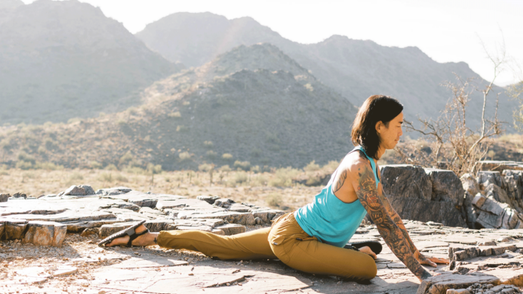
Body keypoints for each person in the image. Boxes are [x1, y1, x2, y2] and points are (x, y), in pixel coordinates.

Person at [100, 95, 447, 282]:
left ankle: (149, 236)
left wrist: (416, 255)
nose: (403, 131)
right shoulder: (361, 168)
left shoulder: (368, 161)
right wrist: (420, 272)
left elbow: (389, 216)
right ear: (380, 126)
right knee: (368, 270)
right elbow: (386, 222)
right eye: (399, 125)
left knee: (222, 247)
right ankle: (350, 252)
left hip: (293, 227)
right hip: (293, 239)